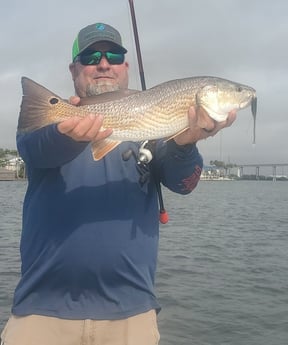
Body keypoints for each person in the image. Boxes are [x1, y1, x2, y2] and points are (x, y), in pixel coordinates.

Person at [1, 23, 236, 345]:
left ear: (126, 66)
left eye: (114, 54)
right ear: (74, 69)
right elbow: (35, 151)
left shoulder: (155, 132)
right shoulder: (47, 121)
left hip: (131, 314)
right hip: (41, 312)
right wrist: (67, 132)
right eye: (91, 56)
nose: (103, 63)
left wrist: (187, 140)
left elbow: (184, 183)